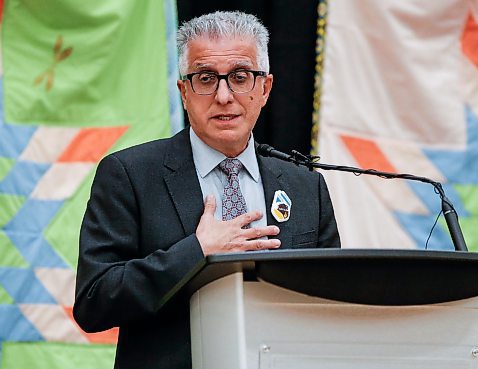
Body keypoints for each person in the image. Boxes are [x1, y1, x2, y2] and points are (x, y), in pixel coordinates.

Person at [74, 11, 341, 369]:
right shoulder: (130, 175)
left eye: (240, 77)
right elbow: (94, 302)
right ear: (184, 91)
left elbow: (332, 302)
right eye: (205, 78)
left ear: (265, 89)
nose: (224, 96)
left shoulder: (305, 184)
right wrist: (196, 252)